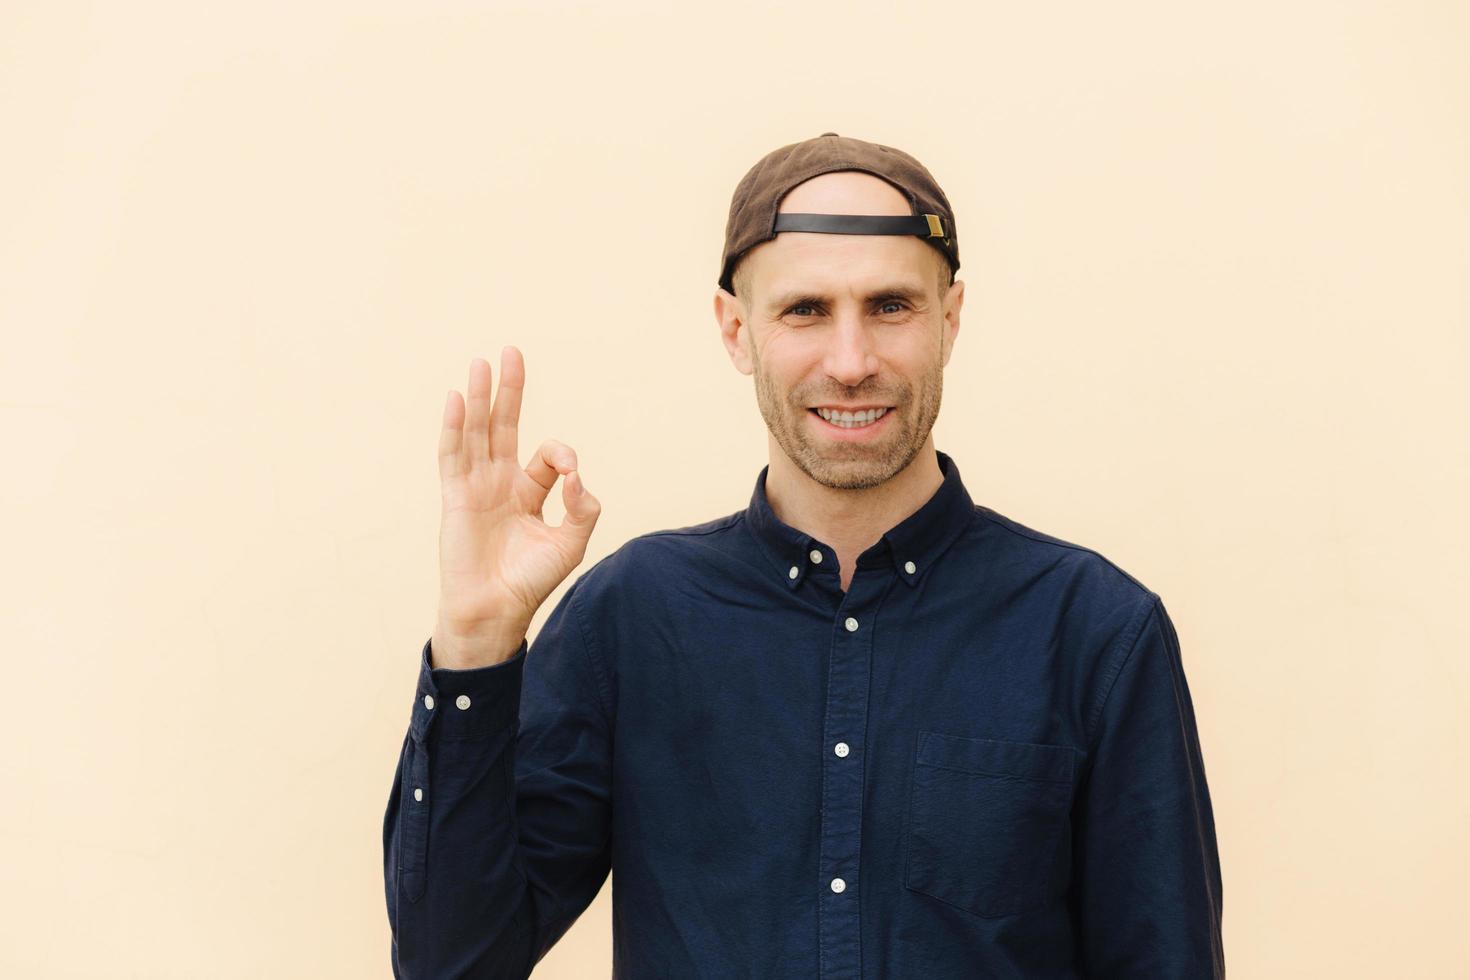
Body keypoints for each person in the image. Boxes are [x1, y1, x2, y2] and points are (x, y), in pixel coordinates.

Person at [382, 132, 1224, 978]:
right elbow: (455, 963)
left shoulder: (1096, 632)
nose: (851, 362)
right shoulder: (634, 616)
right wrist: (474, 647)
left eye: (891, 306)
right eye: (805, 310)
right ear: (736, 330)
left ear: (951, 319)